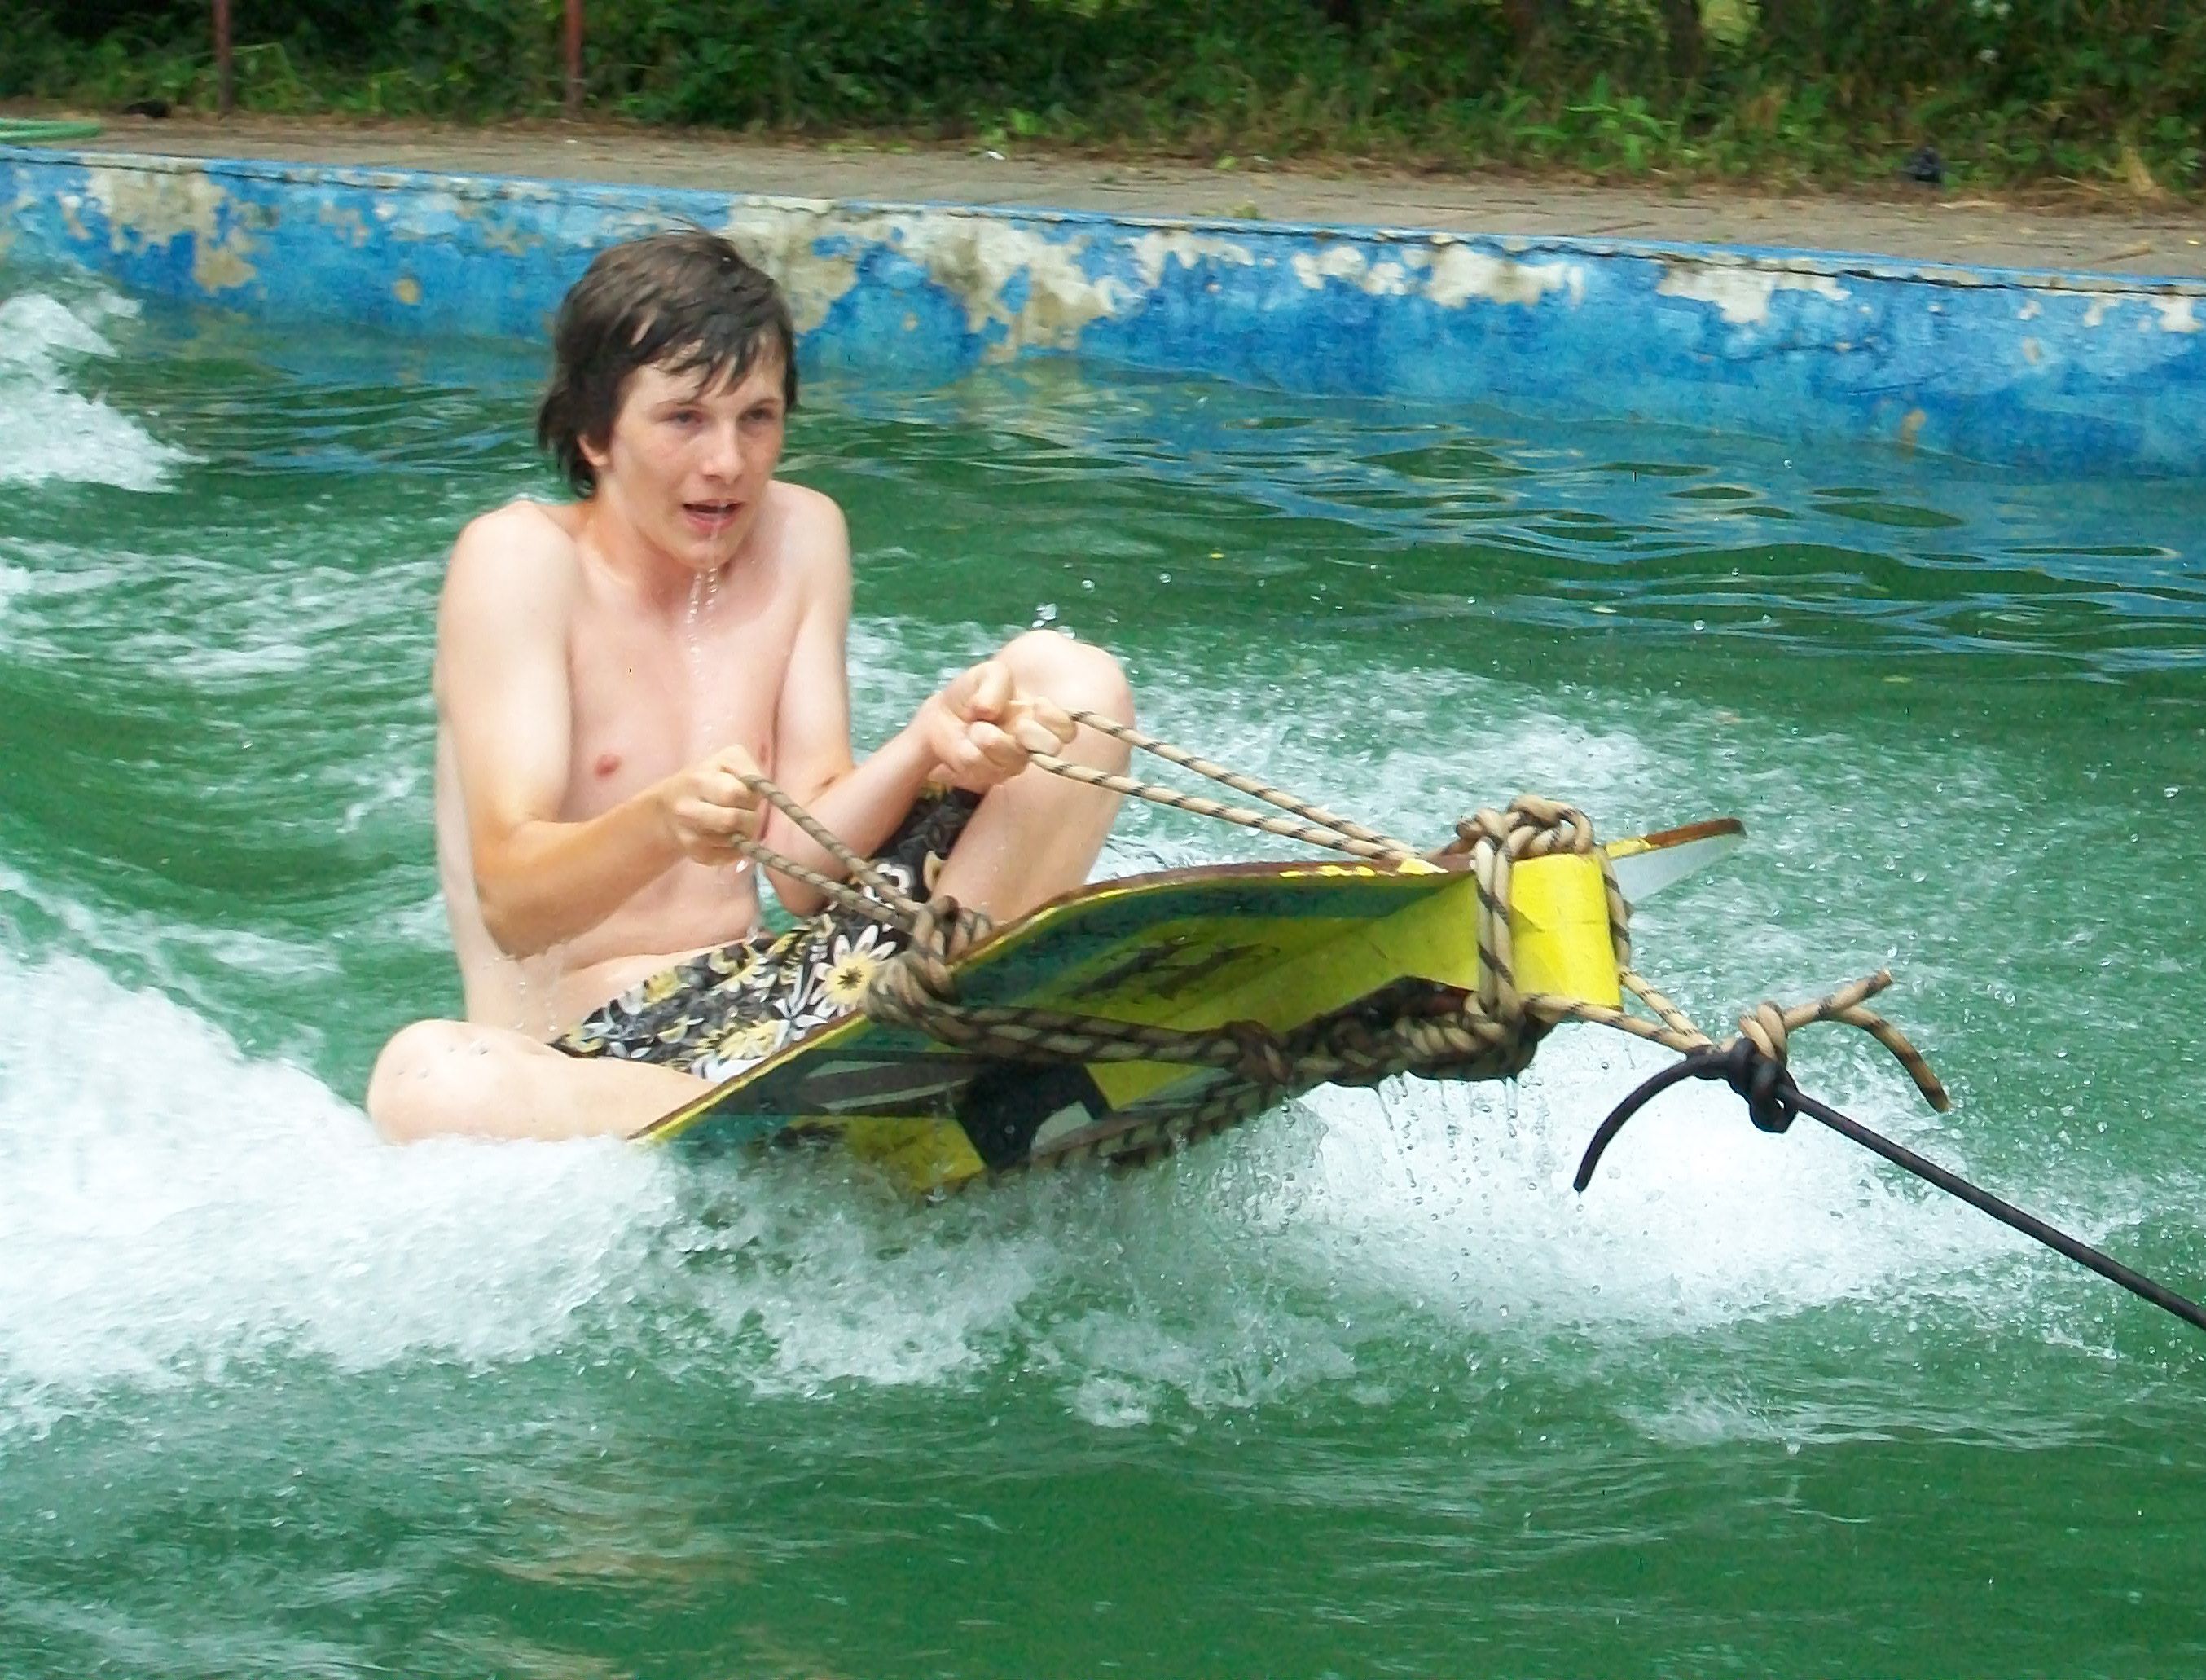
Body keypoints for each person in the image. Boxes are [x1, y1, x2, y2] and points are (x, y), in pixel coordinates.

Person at [367, 231, 1132, 1142]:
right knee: (427, 1079)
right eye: (684, 419)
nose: (728, 462)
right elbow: (513, 907)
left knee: (1071, 684)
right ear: (594, 434)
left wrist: (927, 741)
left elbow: (805, 873)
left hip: (782, 1013)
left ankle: (910, 1062)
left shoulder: (801, 534)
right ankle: (839, 1121)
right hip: (590, 1059)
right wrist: (660, 823)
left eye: (757, 418)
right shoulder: (520, 562)